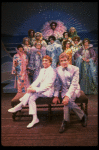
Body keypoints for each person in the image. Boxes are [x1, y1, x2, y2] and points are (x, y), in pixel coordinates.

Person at [8, 55, 56, 128]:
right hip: (41, 90)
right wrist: (31, 86)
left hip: (48, 91)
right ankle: (35, 118)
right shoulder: (42, 70)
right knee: (31, 97)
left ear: (50, 62)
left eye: (46, 61)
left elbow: (48, 86)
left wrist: (35, 89)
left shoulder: (52, 72)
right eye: (43, 61)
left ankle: (19, 106)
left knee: (31, 93)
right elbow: (38, 80)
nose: (44, 62)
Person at [53, 52, 87, 133]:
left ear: (69, 60)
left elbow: (74, 84)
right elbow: (57, 84)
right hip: (64, 90)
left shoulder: (75, 69)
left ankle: (65, 121)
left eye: (65, 60)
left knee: (68, 101)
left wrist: (67, 96)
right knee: (67, 102)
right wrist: (56, 96)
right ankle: (82, 116)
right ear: (60, 62)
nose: (64, 62)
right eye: (61, 61)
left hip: (74, 89)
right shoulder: (57, 70)